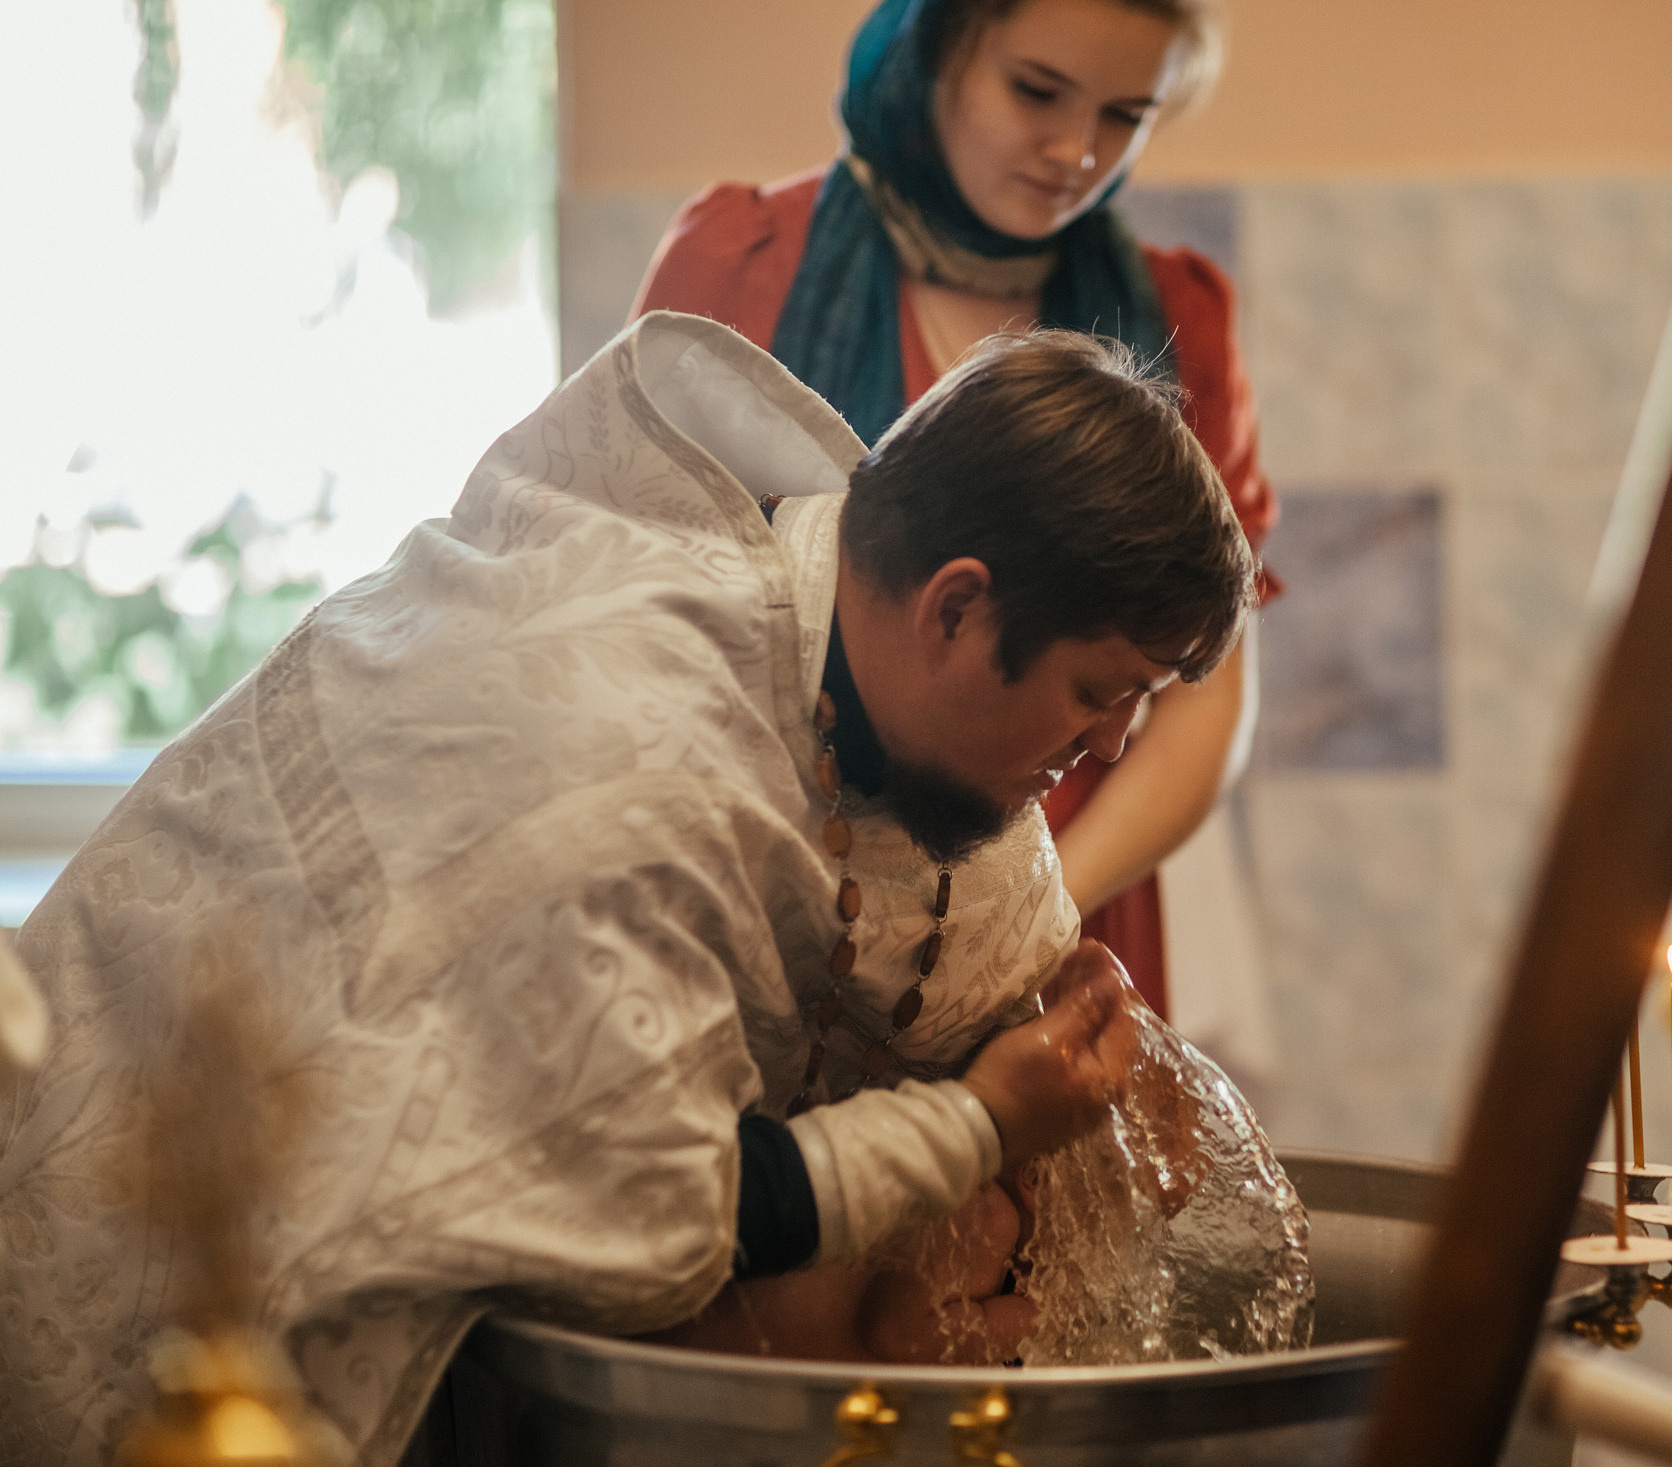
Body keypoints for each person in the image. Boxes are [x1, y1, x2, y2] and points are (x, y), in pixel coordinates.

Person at [0, 313, 1255, 1466]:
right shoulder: (631, 756)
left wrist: (1057, 1040)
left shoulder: (818, 615)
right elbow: (655, 1218)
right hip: (147, 1306)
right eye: (1099, 693)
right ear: (957, 607)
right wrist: (978, 1125)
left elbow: (975, 929)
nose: (1111, 749)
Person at [632, 0, 1279, 1018]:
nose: (1074, 151)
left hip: (1070, 897)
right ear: (937, 49)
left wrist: (1031, 912)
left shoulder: (1177, 322)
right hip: (780, 896)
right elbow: (654, 633)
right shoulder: (743, 269)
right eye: (1035, 91)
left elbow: (1204, 689)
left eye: (1126, 114)